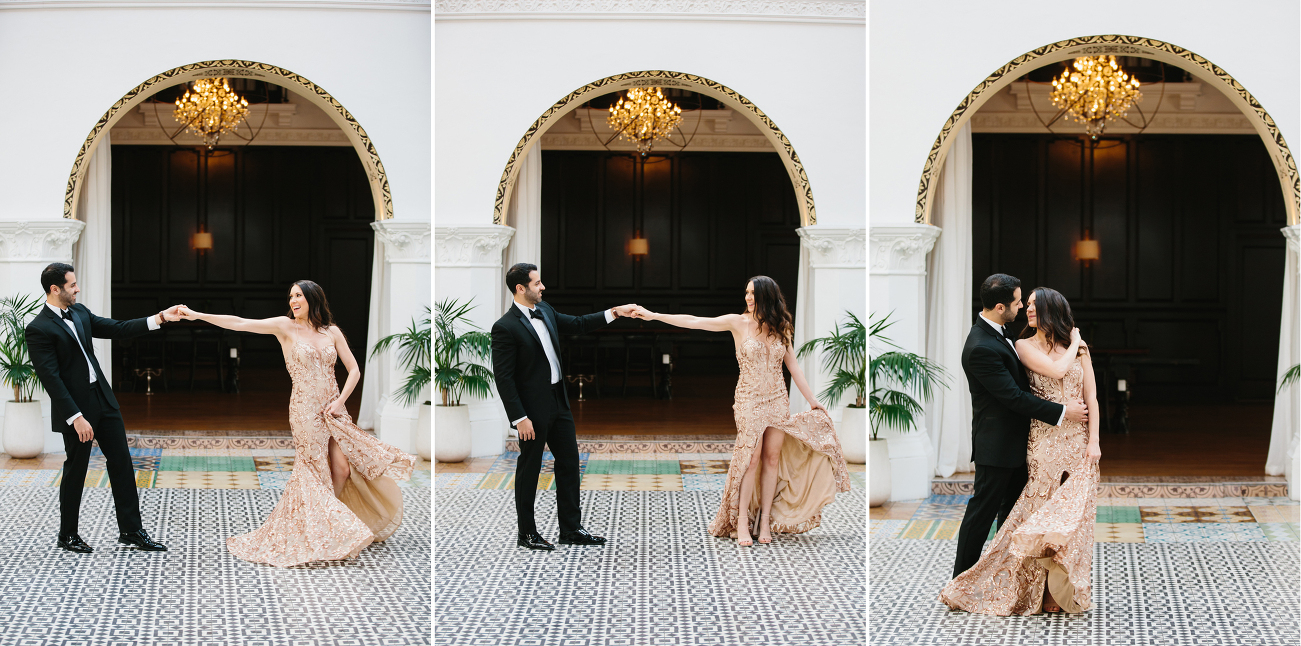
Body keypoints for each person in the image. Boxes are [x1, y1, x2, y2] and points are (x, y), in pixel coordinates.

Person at [178, 280, 415, 567]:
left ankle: (326, 523)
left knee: (341, 469)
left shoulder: (332, 332)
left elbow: (353, 370)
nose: (293, 300)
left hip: (334, 409)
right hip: (304, 411)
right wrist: (198, 315)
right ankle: (325, 529)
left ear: (313, 299)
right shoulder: (285, 326)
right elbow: (240, 323)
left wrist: (339, 403)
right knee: (316, 471)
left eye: (299, 295)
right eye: (291, 296)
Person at [633, 276, 849, 546]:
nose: (747, 298)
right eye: (746, 293)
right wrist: (653, 315)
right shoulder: (738, 322)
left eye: (753, 293)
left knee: (772, 459)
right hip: (748, 400)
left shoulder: (782, 327)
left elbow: (794, 368)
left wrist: (812, 400)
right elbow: (696, 321)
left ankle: (765, 521)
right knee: (751, 460)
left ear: (767, 297)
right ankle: (743, 522)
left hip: (778, 399)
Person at [941, 281, 1099, 615]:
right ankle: (961, 581)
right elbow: (1014, 397)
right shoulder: (983, 345)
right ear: (1001, 307)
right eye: (1018, 303)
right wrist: (1062, 410)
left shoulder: (1001, 337)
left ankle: (1019, 584)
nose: (1022, 308)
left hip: (1033, 442)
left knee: (1020, 518)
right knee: (984, 513)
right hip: (1003, 445)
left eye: (1028, 303)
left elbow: (1085, 395)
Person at [26, 262, 180, 553]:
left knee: (121, 462)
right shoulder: (39, 329)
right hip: (77, 410)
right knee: (77, 470)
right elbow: (52, 380)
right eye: (72, 285)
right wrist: (76, 417)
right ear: (55, 289)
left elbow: (117, 328)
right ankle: (67, 535)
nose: (77, 288)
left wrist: (160, 318)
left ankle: (132, 531)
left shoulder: (80, 312)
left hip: (103, 400)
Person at [491, 262, 639, 551]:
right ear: (521, 289)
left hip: (558, 402)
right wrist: (519, 417)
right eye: (537, 283)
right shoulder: (505, 327)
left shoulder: (545, 311)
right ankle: (527, 534)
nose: (542, 287)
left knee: (570, 463)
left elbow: (580, 323)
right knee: (530, 469)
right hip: (531, 412)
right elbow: (504, 378)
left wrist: (616, 312)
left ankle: (570, 529)